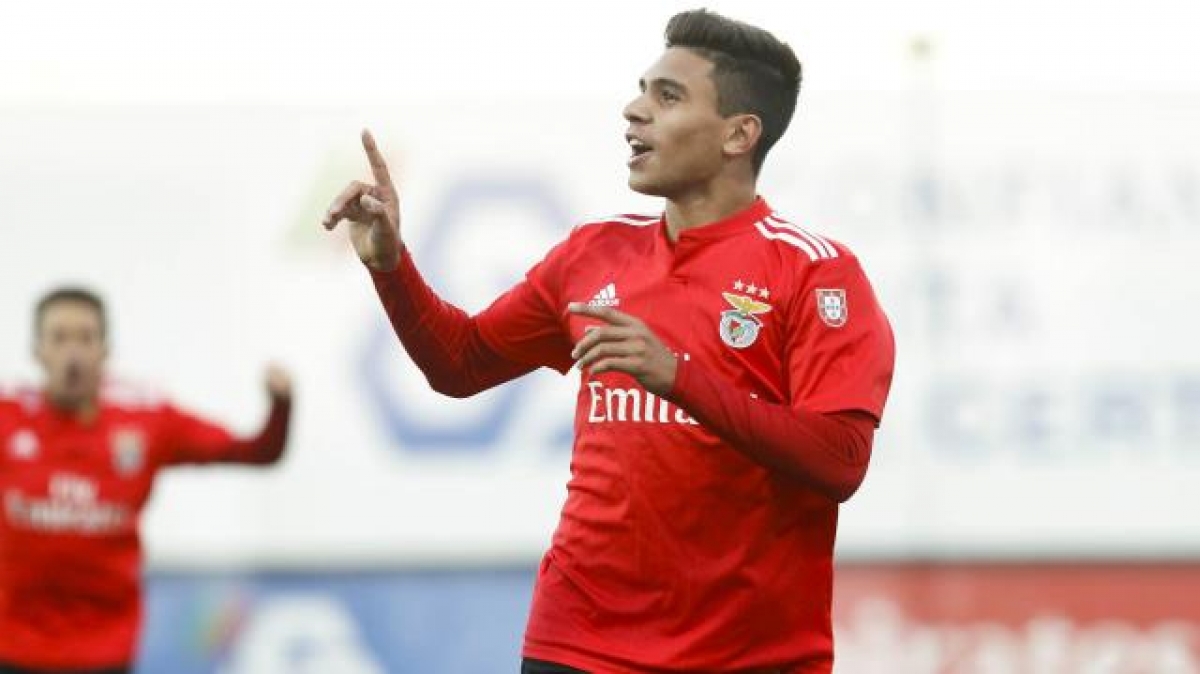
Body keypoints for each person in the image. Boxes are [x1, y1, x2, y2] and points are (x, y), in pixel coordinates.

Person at [324, 9, 894, 673]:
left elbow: (840, 460)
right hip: (579, 642)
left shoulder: (816, 272)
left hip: (748, 655)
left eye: (667, 96)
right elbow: (459, 365)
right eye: (642, 90)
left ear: (739, 134)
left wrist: (679, 378)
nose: (634, 110)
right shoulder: (593, 253)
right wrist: (391, 265)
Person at [0, 287, 293, 674]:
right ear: (37, 350)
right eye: (59, 338)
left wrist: (280, 406)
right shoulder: (8, 415)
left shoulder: (146, 419)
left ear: (105, 350)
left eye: (85, 338)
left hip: (104, 648)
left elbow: (258, 452)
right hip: (15, 644)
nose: (72, 354)